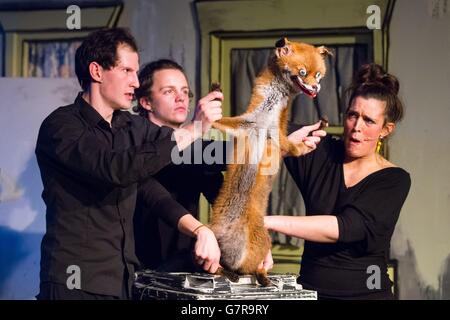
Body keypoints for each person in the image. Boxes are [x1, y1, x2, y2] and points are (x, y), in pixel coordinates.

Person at [35, 28, 222, 300]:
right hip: (74, 284)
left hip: (122, 282)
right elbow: (115, 169)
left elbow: (194, 154)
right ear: (97, 72)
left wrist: (276, 145)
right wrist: (193, 129)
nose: (135, 82)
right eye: (127, 71)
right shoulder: (61, 126)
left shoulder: (129, 126)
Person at [264, 63, 411, 300]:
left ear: (386, 129)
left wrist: (266, 222)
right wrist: (290, 90)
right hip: (311, 294)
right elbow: (264, 127)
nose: (356, 128)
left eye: (369, 121)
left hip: (368, 294)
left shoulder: (394, 180)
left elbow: (346, 227)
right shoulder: (320, 152)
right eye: (353, 115)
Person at [133, 59, 225, 273]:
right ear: (146, 102)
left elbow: (224, 202)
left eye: (184, 91)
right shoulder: (134, 142)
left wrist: (254, 240)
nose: (180, 97)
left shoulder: (197, 151)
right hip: (136, 271)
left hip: (184, 267)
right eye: (168, 91)